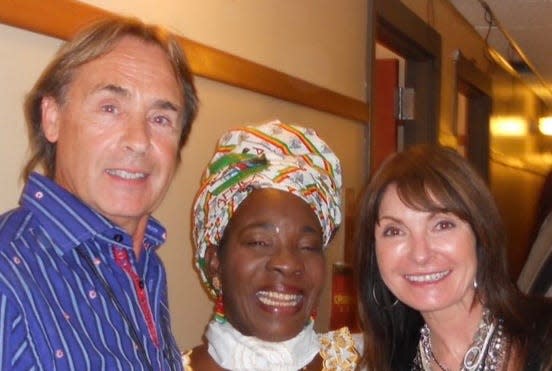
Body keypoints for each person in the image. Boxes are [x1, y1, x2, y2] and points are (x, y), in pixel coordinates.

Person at [0, 16, 198, 370]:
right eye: (110, 108)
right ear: (52, 117)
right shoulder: (7, 280)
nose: (138, 141)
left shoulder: (144, 263)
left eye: (160, 119)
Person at [354, 145, 552, 371]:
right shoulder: (382, 364)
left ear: (481, 235)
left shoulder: (545, 338)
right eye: (395, 231)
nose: (420, 254)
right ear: (374, 253)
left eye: (442, 225)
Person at [184, 120, 359, 370]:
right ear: (215, 262)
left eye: (308, 246)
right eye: (259, 242)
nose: (287, 263)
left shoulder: (362, 364)